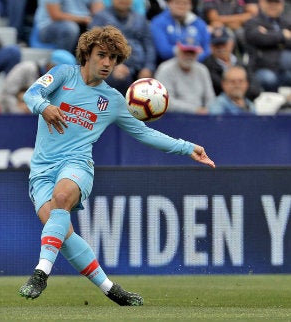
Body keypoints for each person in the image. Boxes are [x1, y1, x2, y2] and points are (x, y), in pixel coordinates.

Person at [18, 25, 215, 305]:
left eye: (114, 58)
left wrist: (188, 148)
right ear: (87, 54)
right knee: (61, 232)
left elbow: (146, 133)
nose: (108, 63)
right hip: (41, 170)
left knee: (62, 198)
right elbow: (31, 95)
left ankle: (40, 273)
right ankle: (110, 289)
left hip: (77, 165)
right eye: (102, 55)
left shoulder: (112, 101)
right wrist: (44, 107)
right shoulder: (63, 74)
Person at [90, 0, 156, 95]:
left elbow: (149, 45)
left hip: (139, 69)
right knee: (120, 79)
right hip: (113, 67)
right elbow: (95, 45)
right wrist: (113, 65)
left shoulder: (140, 19)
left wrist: (148, 68)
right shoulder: (100, 17)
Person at [0, 49, 76, 113]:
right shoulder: (26, 68)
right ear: (51, 65)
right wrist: (21, 112)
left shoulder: (61, 84)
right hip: (11, 118)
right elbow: (7, 94)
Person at [154, 41, 215, 114]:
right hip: (172, 118)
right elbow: (164, 101)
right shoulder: (165, 69)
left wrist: (208, 110)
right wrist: (195, 110)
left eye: (192, 53)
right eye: (185, 52)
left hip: (200, 117)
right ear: (177, 52)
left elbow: (210, 98)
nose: (189, 56)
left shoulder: (202, 70)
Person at [243, 0, 291, 92]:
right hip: (262, 68)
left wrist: (269, 34)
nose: (273, 5)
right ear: (261, 3)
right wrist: (282, 35)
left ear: (282, 4)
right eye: (269, 2)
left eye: (276, 2)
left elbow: (266, 39)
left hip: (284, 70)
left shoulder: (286, 23)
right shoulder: (252, 22)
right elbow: (258, 38)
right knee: (269, 79)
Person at [202, 26, 260, 100]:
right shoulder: (207, 66)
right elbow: (222, 88)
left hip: (245, 103)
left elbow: (255, 89)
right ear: (211, 47)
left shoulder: (241, 63)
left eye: (223, 44)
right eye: (217, 45)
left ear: (231, 44)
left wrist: (240, 94)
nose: (220, 48)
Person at [32, 0, 105, 52]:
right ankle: (62, 65)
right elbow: (55, 15)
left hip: (82, 23)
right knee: (70, 29)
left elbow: (98, 12)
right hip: (49, 26)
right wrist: (83, 19)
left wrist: (95, 21)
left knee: (101, 28)